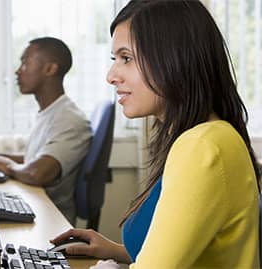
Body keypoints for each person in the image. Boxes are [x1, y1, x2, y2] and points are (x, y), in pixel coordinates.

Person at [51, 1, 261, 268]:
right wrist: (115, 251)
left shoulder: (203, 147)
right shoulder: (205, 136)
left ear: (174, 57)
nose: (111, 75)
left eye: (126, 58)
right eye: (114, 59)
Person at [0, 37, 92, 225]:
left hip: (50, 221)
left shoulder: (69, 120)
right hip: (36, 208)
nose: (18, 71)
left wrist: (8, 166)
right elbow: (34, 159)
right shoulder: (50, 113)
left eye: (25, 62)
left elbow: (37, 172)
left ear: (50, 69)